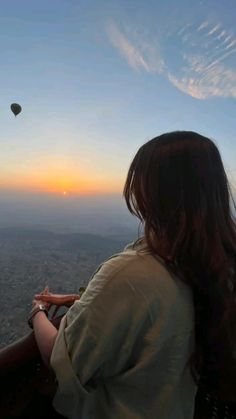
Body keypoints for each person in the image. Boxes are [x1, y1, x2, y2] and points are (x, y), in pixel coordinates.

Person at [30, 131, 236, 419]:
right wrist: (83, 303)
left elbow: (60, 359)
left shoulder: (130, 274)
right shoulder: (217, 264)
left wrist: (38, 312)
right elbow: (158, 316)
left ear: (150, 192)